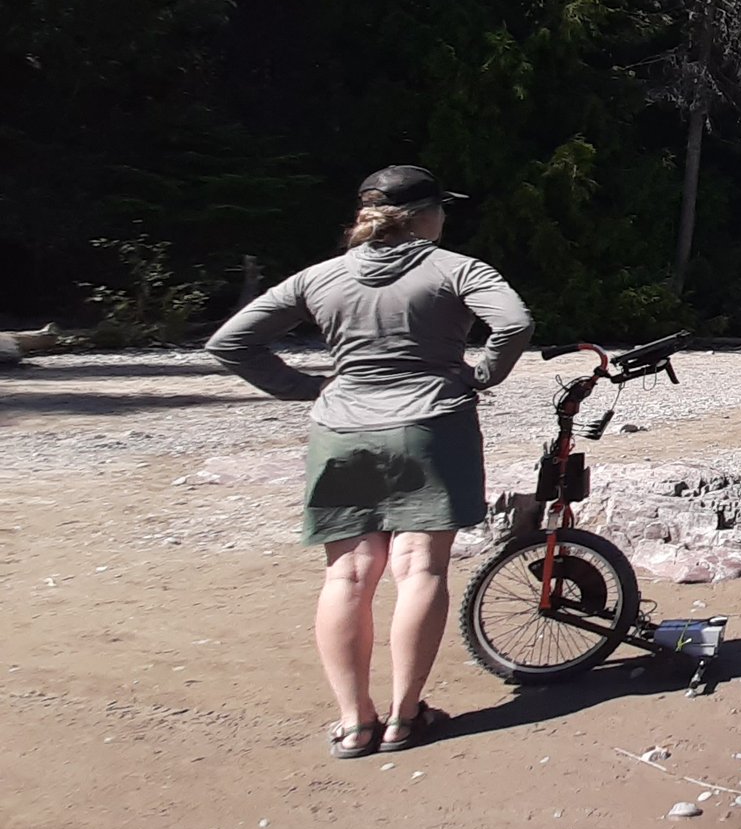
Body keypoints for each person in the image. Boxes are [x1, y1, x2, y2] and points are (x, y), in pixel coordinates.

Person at [205, 166, 533, 757]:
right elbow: (513, 323)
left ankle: (355, 722)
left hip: (341, 431)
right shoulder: (456, 269)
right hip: (431, 426)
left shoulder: (320, 277)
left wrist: (306, 388)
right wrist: (480, 373)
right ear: (426, 215)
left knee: (348, 575)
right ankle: (405, 717)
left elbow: (229, 342)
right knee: (420, 570)